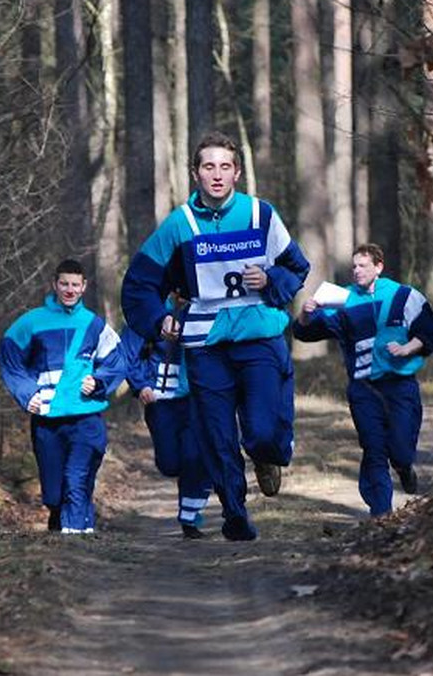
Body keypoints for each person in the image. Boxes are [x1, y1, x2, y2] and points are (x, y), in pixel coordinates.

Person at [121, 130, 309, 541]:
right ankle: (235, 515)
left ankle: (270, 456)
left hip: (259, 339)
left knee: (260, 434)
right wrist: (158, 320)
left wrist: (271, 276)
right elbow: (138, 285)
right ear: (196, 174)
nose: (217, 175)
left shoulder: (261, 215)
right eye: (209, 166)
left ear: (237, 173)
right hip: (205, 347)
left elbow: (298, 268)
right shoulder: (179, 226)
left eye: (226, 166)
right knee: (217, 435)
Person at [292, 243, 433, 518]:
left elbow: (429, 332)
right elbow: (304, 332)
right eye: (354, 266)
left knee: (400, 450)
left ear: (379, 267)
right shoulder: (342, 299)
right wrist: (306, 312)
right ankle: (380, 513)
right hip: (363, 388)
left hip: (400, 384)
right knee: (373, 449)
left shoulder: (403, 296)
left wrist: (407, 348)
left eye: (363, 265)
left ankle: (405, 467)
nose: (356, 271)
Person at [0, 259, 126, 533]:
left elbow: (117, 359)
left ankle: (76, 540)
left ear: (84, 287)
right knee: (54, 494)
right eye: (64, 284)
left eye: (75, 285)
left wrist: (99, 381)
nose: (69, 289)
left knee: (76, 479)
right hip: (47, 419)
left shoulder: (94, 324)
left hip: (86, 417)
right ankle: (65, 526)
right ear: (55, 285)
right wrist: (26, 393)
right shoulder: (31, 322)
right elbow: (9, 357)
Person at [120, 295, 212, 539]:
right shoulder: (149, 309)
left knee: (196, 456)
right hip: (161, 401)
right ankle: (187, 481)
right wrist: (141, 385)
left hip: (198, 397)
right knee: (170, 463)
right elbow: (128, 352)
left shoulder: (208, 305)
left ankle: (190, 519)